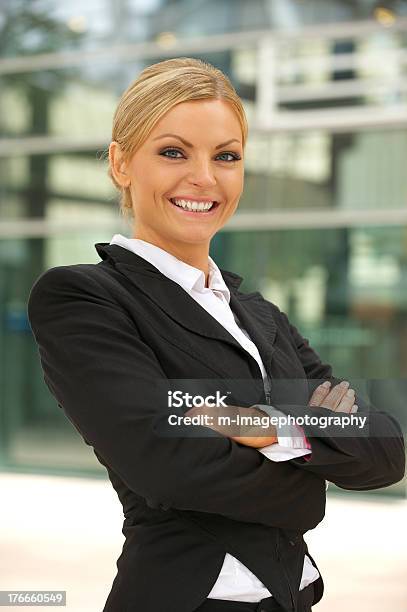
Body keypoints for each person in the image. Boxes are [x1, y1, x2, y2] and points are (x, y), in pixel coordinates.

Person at [27, 57, 405, 612]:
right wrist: (313, 469)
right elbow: (168, 465)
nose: (204, 178)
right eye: (173, 152)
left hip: (293, 599)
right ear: (121, 164)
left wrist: (273, 428)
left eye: (226, 156)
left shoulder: (260, 315)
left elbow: (385, 448)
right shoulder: (84, 297)